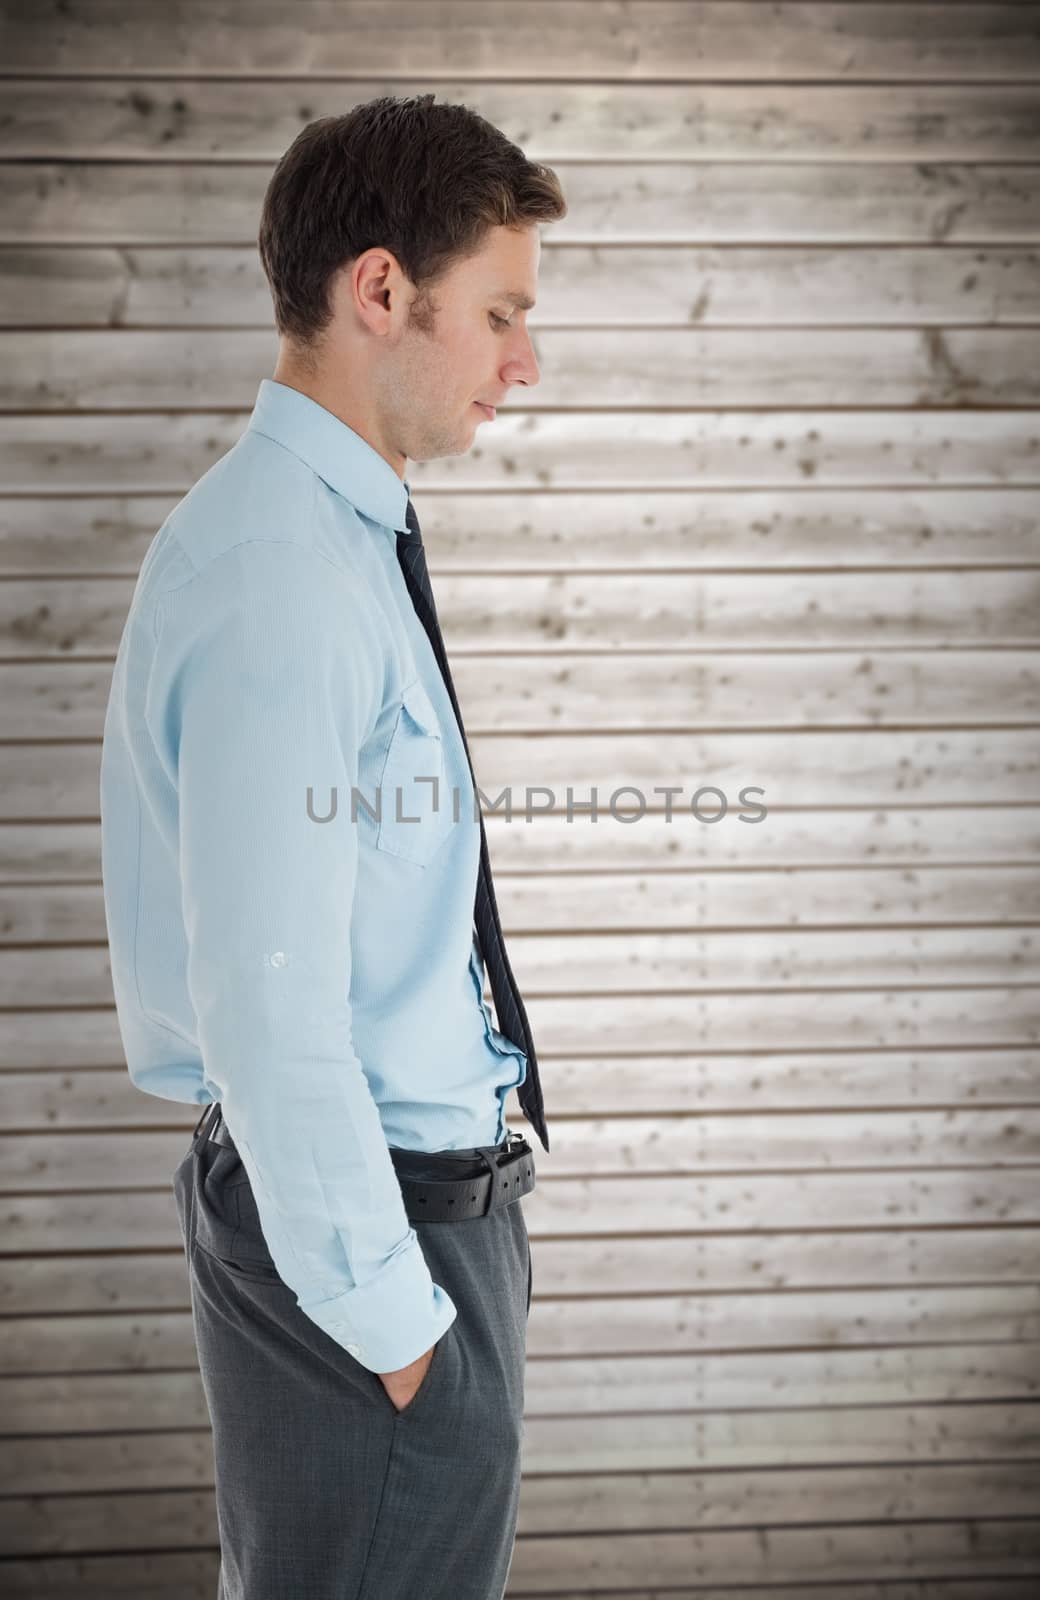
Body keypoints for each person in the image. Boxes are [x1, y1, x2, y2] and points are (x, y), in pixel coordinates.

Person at [98, 92, 566, 1599]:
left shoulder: (326, 541)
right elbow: (267, 1002)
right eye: (498, 310)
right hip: (377, 1251)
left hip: (406, 1230)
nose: (523, 361)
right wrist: (400, 1330)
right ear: (382, 291)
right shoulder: (283, 572)